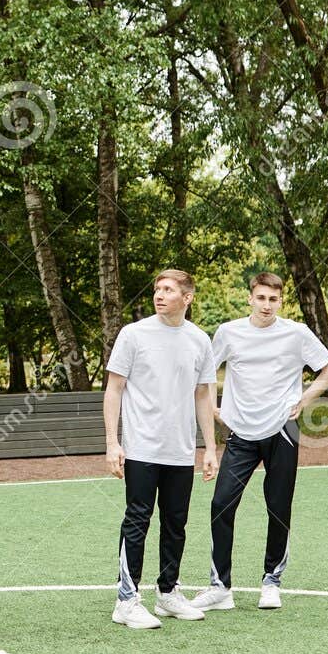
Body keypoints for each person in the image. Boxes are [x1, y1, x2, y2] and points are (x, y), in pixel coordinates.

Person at [190, 272, 328, 612]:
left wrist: (304, 398)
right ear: (250, 299)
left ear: (280, 301)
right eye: (261, 298)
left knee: (278, 506)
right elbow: (204, 374)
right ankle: (220, 587)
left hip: (282, 430)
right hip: (241, 432)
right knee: (221, 504)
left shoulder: (297, 334)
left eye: (273, 299)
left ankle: (271, 581)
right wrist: (214, 408)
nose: (266, 305)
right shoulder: (229, 332)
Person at [103, 269, 218, 629]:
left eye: (169, 289)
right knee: (137, 519)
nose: (160, 294)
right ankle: (126, 600)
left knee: (176, 523)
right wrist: (112, 442)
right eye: (157, 289)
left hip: (180, 450)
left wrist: (210, 447)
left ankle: (167, 593)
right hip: (140, 448)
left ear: (188, 298)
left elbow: (203, 395)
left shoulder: (200, 340)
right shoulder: (133, 335)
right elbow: (114, 389)